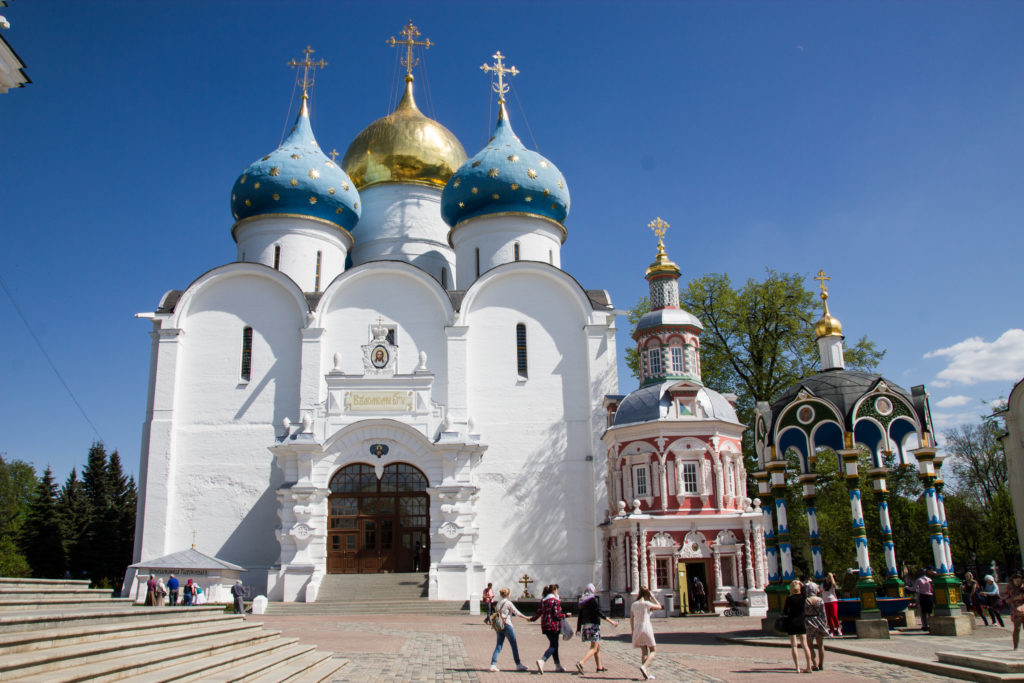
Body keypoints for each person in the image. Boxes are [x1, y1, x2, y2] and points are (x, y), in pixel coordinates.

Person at [575, 583, 618, 674]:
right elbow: (599, 613)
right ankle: (581, 663)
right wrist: (611, 621)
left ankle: (599, 667)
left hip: (586, 626)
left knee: (597, 647)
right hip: (594, 625)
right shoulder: (593, 600)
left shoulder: (582, 601)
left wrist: (578, 629)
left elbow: (580, 616)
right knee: (594, 648)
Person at [529, 584, 570, 674]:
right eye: (557, 591)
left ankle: (558, 665)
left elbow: (539, 611)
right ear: (554, 590)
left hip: (545, 625)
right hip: (553, 625)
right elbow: (556, 614)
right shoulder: (554, 600)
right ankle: (542, 660)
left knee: (554, 645)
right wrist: (566, 615)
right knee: (553, 646)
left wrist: (532, 619)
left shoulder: (544, 600)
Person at [488, 588, 530, 672]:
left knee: (499, 645)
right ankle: (518, 664)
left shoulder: (498, 603)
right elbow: (516, 612)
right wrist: (526, 618)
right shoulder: (508, 602)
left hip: (499, 625)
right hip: (507, 625)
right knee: (513, 644)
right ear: (508, 594)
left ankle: (493, 664)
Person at [631, 586, 662, 680]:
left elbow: (631, 619)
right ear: (647, 594)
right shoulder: (647, 603)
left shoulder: (634, 604)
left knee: (644, 651)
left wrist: (633, 631)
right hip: (646, 627)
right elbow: (659, 606)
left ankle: (647, 674)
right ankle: (644, 667)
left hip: (637, 628)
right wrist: (652, 597)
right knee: (653, 650)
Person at [783, 579, 812, 674]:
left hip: (791, 622)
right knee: (805, 645)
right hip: (801, 622)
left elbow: (785, 612)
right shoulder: (803, 597)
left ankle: (797, 668)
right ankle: (808, 666)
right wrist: (800, 583)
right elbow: (804, 590)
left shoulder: (789, 599)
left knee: (794, 646)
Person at [804, 582, 829, 671]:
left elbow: (803, 613)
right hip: (819, 622)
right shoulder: (820, 600)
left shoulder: (805, 600)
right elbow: (823, 614)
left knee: (810, 644)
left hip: (808, 623)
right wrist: (825, 624)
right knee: (820, 644)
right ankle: (821, 664)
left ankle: (814, 664)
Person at [1004, 571, 1024, 649]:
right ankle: (1015, 647)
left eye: (1020, 581)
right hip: (1015, 610)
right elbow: (1006, 600)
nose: (1018, 583)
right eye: (1017, 581)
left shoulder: (1023, 586)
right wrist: (1015, 598)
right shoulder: (1009, 587)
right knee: (1017, 628)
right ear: (1013, 580)